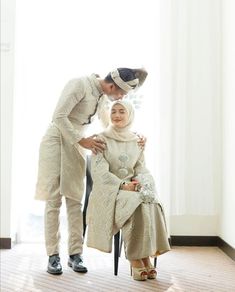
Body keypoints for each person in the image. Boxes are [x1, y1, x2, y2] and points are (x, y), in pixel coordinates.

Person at [35, 68, 148, 275]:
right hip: (55, 141)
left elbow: (109, 124)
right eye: (121, 94)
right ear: (113, 86)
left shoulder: (103, 97)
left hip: (77, 144)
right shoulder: (79, 84)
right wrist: (82, 140)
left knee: (75, 199)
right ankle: (53, 256)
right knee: (54, 200)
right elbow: (58, 116)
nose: (121, 99)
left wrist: (134, 136)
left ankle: (75, 254)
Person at [86, 100, 170, 281]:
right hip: (110, 190)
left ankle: (146, 255)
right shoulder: (101, 139)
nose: (116, 115)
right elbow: (99, 173)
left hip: (133, 187)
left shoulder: (136, 141)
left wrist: (144, 183)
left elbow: (140, 168)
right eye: (113, 111)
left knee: (152, 202)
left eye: (121, 111)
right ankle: (135, 258)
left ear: (129, 114)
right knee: (137, 204)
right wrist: (122, 185)